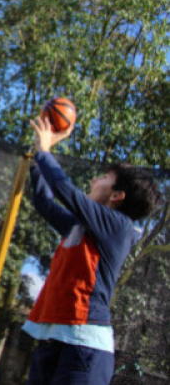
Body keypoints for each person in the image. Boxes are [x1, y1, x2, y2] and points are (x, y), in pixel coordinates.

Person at [23, 115, 160, 385]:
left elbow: (65, 191)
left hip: (85, 349)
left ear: (116, 195)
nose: (95, 179)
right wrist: (38, 157)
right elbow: (43, 201)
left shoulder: (119, 227)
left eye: (104, 178)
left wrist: (45, 151)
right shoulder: (79, 227)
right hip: (54, 339)